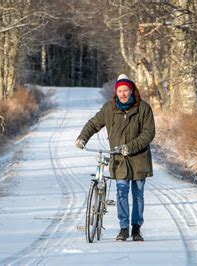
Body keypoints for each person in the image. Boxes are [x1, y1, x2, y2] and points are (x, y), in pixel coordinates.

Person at [75, 74, 155, 241]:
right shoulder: (109, 109)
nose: (123, 94)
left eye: (126, 90)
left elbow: (148, 133)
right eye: (120, 91)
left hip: (139, 159)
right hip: (119, 160)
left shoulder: (143, 108)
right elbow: (93, 124)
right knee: (121, 192)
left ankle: (136, 228)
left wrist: (130, 147)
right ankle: (124, 228)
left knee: (138, 194)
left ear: (132, 91)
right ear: (116, 92)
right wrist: (82, 138)